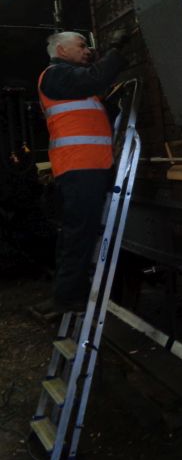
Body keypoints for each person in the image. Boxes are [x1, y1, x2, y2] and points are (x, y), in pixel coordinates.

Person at [36, 32, 127, 314]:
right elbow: (93, 79)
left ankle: (69, 292)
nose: (88, 50)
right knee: (80, 234)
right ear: (61, 50)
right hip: (79, 167)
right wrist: (116, 50)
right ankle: (69, 298)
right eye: (82, 45)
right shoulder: (55, 76)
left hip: (86, 166)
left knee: (77, 232)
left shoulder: (69, 81)